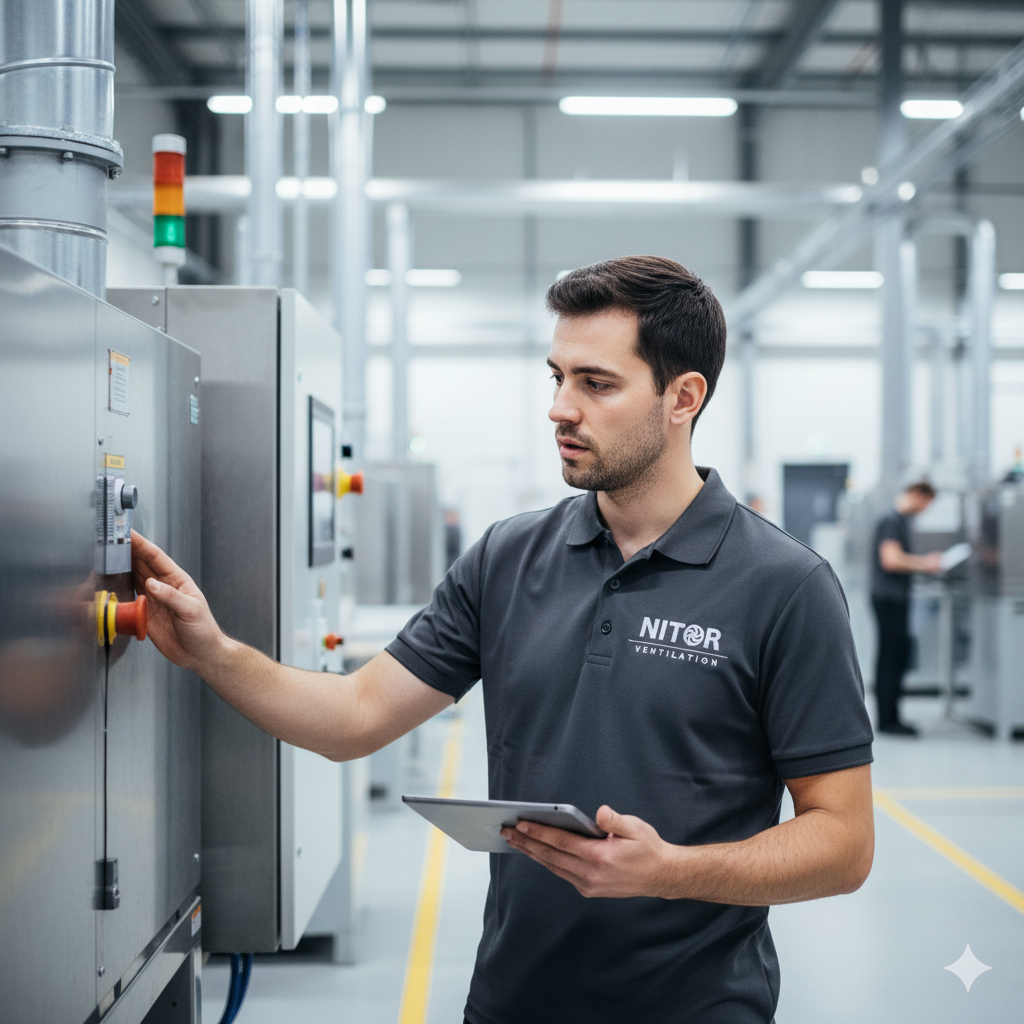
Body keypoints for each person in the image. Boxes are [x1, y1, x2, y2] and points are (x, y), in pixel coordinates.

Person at [133, 256, 874, 1024]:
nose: (560, 407)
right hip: (512, 1001)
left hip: (697, 1007)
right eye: (555, 377)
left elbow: (844, 843)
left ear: (683, 398)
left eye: (597, 383)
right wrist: (213, 653)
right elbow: (356, 716)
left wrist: (670, 871)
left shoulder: (785, 586)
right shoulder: (507, 558)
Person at [870, 481, 943, 736]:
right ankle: (888, 720)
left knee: (894, 656)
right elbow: (891, 559)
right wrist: (926, 564)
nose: (925, 510)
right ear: (917, 495)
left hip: (893, 597)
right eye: (926, 503)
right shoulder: (893, 520)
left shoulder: (900, 521)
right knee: (891, 658)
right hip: (889, 598)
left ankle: (890, 716)